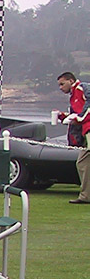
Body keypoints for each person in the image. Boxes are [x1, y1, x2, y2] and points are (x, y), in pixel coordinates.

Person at [57, 71, 90, 204]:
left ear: (71, 81)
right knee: (83, 163)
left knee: (83, 162)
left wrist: (79, 118)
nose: (60, 88)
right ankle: (86, 196)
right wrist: (65, 116)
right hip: (85, 132)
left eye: (62, 84)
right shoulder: (73, 96)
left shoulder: (83, 88)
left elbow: (85, 110)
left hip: (88, 129)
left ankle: (86, 196)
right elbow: (76, 115)